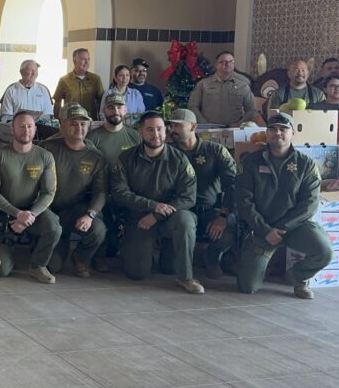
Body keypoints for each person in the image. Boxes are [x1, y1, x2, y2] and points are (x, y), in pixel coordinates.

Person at [236, 113, 332, 299]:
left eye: (283, 129)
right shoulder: (250, 162)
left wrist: (282, 229)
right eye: (272, 129)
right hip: (261, 229)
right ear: (266, 133)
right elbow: (243, 201)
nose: (277, 133)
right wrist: (265, 230)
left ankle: (299, 277)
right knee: (247, 287)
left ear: (292, 132)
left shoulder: (306, 164)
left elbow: (310, 204)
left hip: (295, 227)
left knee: (325, 252)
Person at [111, 112, 202, 293]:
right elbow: (119, 193)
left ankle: (186, 277)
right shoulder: (127, 158)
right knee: (136, 273)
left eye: (160, 129)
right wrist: (152, 206)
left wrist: (156, 214)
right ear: (141, 133)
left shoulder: (179, 159)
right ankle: (147, 250)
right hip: (139, 219)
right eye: (150, 130)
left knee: (186, 221)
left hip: (171, 217)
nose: (156, 134)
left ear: (166, 130)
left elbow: (188, 197)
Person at [0, 112, 60, 283]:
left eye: (29, 126)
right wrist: (17, 214)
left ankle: (37, 266)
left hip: (33, 213)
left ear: (35, 129)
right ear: (12, 129)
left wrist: (29, 215)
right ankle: (8, 248)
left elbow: (49, 192)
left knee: (54, 227)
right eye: (21, 126)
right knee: (2, 271)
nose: (25, 130)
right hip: (4, 215)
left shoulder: (45, 156)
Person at [167, 109, 236, 279]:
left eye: (178, 125)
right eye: (171, 125)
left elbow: (233, 185)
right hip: (180, 209)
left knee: (228, 230)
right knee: (166, 267)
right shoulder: (168, 152)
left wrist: (223, 215)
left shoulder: (215, 150)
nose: (173, 130)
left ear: (193, 126)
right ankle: (185, 263)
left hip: (211, 209)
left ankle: (212, 257)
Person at [41, 104, 106, 277]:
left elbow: (100, 191)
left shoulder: (96, 156)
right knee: (52, 266)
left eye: (83, 124)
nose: (79, 128)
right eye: (73, 123)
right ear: (62, 125)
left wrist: (90, 214)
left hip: (76, 211)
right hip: (49, 211)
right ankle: (56, 247)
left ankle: (81, 258)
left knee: (98, 229)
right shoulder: (47, 148)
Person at [85, 93, 141, 272]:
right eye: (110, 107)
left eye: (119, 107)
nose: (115, 111)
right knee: (102, 222)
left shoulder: (135, 137)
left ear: (125, 110)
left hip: (128, 192)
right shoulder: (93, 137)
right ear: (103, 111)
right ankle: (99, 256)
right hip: (101, 192)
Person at [187, 51, 257, 126]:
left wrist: (239, 124)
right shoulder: (203, 84)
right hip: (209, 130)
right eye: (223, 62)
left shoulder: (242, 85)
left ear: (234, 65)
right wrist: (204, 123)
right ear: (216, 65)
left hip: (234, 130)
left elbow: (252, 110)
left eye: (231, 62)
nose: (227, 64)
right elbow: (193, 106)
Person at [53, 47, 104, 118]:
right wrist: (57, 122)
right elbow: (57, 103)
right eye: (83, 59)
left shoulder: (96, 79)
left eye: (88, 59)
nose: (87, 62)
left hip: (90, 122)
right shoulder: (64, 80)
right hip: (70, 122)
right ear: (74, 61)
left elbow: (102, 102)